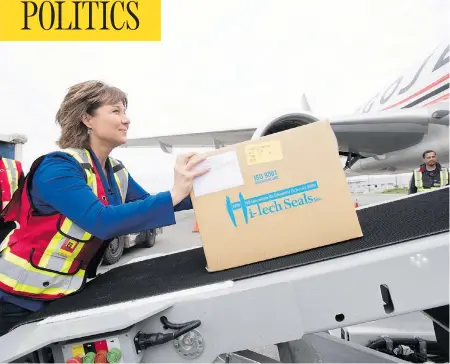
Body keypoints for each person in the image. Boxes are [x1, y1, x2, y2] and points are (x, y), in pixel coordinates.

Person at [0, 80, 210, 336]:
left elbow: (151, 205)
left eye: (125, 111)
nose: (126, 119)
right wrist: (175, 193)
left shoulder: (116, 171)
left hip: (61, 294)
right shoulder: (57, 168)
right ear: (87, 118)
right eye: (116, 111)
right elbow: (101, 221)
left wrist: (202, 191)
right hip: (11, 298)